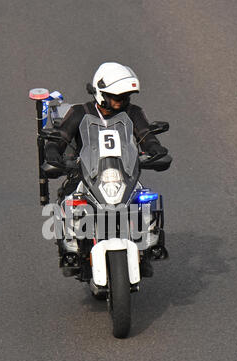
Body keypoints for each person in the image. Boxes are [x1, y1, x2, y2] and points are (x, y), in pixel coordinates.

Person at [43, 62, 172, 276]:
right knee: (67, 200)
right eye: (117, 96)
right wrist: (53, 154)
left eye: (126, 97)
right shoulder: (79, 112)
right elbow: (60, 138)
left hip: (124, 173)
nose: (123, 101)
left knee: (146, 199)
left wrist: (156, 149)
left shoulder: (133, 112)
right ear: (101, 92)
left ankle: (149, 246)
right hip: (86, 173)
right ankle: (71, 251)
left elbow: (146, 136)